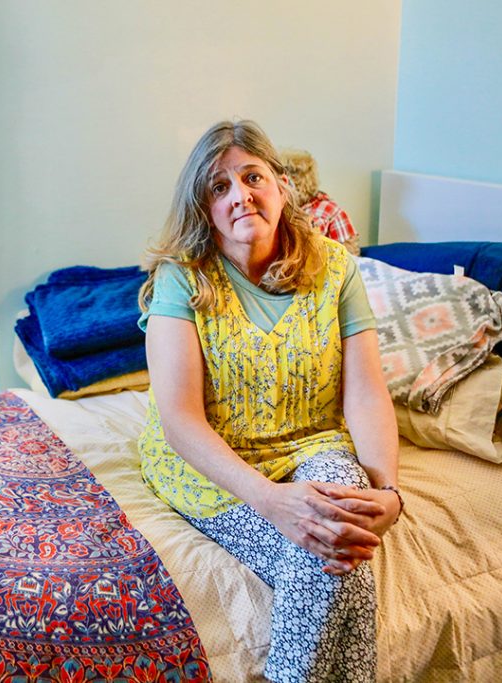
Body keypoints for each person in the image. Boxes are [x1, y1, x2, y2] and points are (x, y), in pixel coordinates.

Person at [137, 120, 402, 682]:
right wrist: (270, 500)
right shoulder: (183, 278)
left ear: (282, 184)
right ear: (205, 208)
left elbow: (366, 392)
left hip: (314, 444)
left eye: (252, 177)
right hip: (211, 466)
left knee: (337, 529)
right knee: (335, 560)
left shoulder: (335, 267)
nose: (240, 195)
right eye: (220, 186)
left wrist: (389, 493)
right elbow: (179, 420)